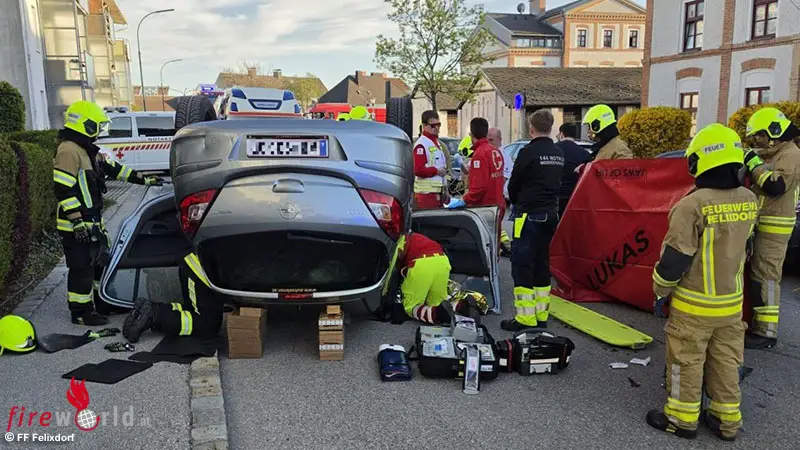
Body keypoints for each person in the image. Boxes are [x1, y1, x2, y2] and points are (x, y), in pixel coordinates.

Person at [647, 123, 756, 441]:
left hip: (694, 305)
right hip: (731, 305)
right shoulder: (749, 199)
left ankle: (681, 419)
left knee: (686, 360)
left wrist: (660, 291)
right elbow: (748, 248)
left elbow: (675, 259)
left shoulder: (692, 205)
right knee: (726, 361)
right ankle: (726, 421)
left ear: (700, 161)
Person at [54, 100, 162, 326]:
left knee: (99, 264)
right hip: (75, 224)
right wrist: (77, 221)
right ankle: (81, 312)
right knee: (82, 268)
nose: (100, 130)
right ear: (85, 124)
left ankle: (102, 303)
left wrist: (144, 179)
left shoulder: (87, 149)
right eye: (97, 125)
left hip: (92, 221)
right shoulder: (68, 150)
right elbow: (63, 189)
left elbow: (114, 169)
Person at [741, 107, 800, 349]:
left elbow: (776, 186)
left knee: (767, 277)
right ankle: (758, 325)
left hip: (775, 228)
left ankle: (766, 332)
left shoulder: (791, 154)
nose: (757, 140)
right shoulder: (776, 153)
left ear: (774, 132)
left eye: (760, 135)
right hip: (763, 223)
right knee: (758, 276)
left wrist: (754, 163)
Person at [502, 109, 564, 331]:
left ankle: (525, 318)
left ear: (531, 128)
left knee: (522, 265)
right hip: (550, 214)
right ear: (550, 127)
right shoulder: (557, 153)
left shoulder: (528, 152)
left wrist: (516, 201)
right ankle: (541, 315)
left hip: (528, 215)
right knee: (541, 264)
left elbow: (514, 183)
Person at [123, 252, 224, 342]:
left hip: (194, 260)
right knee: (209, 324)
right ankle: (155, 315)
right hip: (202, 266)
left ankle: (148, 309)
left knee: (192, 311)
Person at [447, 118, 508, 254]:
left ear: (471, 134)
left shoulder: (480, 154)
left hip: (485, 207)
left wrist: (464, 200)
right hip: (497, 205)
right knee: (494, 246)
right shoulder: (495, 151)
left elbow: (479, 188)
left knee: (485, 248)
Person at [397, 231, 485, 324]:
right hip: (442, 261)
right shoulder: (416, 236)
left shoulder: (399, 239)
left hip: (422, 263)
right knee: (437, 303)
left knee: (410, 306)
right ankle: (461, 306)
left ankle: (438, 314)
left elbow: (395, 262)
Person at [412, 111, 448, 209]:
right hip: (426, 194)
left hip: (437, 193)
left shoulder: (436, 143)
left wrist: (445, 190)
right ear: (424, 126)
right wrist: (436, 171)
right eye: (433, 126)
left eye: (438, 125)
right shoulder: (421, 144)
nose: (436, 128)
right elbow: (418, 170)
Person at [555, 122, 592, 217]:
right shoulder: (584, 153)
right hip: (575, 197)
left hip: (555, 198)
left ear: (561, 134)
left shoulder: (553, 149)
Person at [489, 127, 513, 256]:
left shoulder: (503, 155)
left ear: (500, 139)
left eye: (491, 139)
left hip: (498, 196)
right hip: (494, 197)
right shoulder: (490, 152)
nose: (489, 142)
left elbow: (503, 178)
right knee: (495, 227)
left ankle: (502, 248)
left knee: (495, 227)